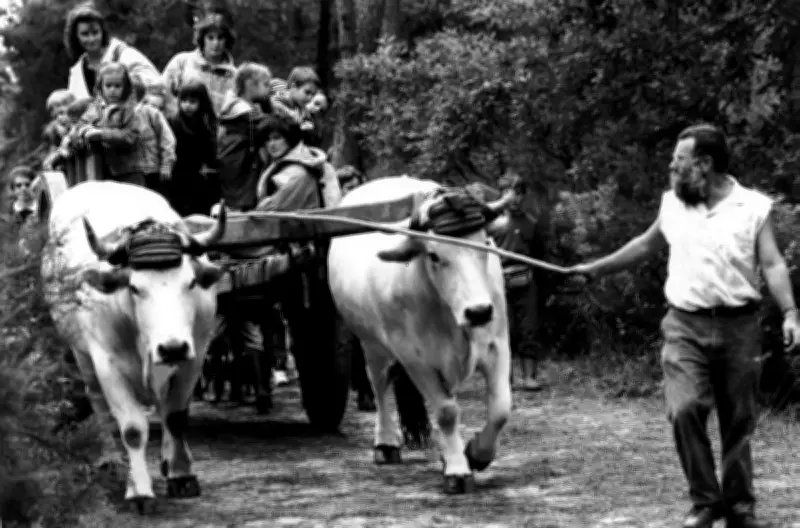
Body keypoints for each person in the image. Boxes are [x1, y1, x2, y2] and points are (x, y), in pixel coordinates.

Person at [569, 123, 800, 528]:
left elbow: (772, 263)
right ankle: (706, 502)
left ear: (704, 165)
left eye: (679, 162)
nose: (672, 169)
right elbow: (646, 244)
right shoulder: (673, 204)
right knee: (684, 408)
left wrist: (791, 312)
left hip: (739, 326)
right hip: (684, 324)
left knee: (738, 419)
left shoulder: (754, 207)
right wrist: (596, 270)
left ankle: (740, 507)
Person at [488, 171, 549, 392]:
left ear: (523, 196)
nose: (513, 198)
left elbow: (540, 255)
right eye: (508, 193)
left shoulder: (532, 223)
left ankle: (529, 377)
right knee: (504, 330)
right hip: (498, 283)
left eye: (517, 194)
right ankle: (505, 378)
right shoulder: (491, 224)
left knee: (529, 329)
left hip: (526, 284)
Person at [63, 2, 159, 100]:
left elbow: (156, 87)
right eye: (85, 34)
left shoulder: (124, 55)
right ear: (76, 37)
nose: (91, 39)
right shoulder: (77, 73)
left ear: (102, 31)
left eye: (95, 32)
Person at [70, 62, 144, 186]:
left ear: (125, 87)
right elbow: (80, 126)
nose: (112, 90)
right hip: (99, 170)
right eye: (108, 85)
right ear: (100, 87)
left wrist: (102, 134)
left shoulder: (129, 111)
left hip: (128, 171)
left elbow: (130, 136)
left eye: (117, 86)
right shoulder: (94, 109)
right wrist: (81, 133)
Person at [216, 62, 275, 212]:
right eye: (266, 84)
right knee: (240, 203)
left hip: (242, 162)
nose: (270, 89)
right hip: (239, 163)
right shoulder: (241, 110)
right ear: (250, 85)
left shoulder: (248, 107)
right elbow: (266, 125)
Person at [162, 10, 237, 117]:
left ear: (227, 40)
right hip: (178, 128)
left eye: (220, 38)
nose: (215, 43)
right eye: (210, 37)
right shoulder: (182, 62)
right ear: (202, 39)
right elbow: (161, 92)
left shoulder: (235, 76)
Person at [167, 80, 220, 216]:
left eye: (192, 101)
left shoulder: (207, 124)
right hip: (177, 173)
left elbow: (210, 152)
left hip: (198, 174)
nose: (187, 105)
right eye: (184, 101)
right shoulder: (173, 122)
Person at [130, 75, 176, 197]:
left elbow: (167, 139)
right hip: (131, 171)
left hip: (152, 170)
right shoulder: (118, 115)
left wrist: (167, 164)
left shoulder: (150, 112)